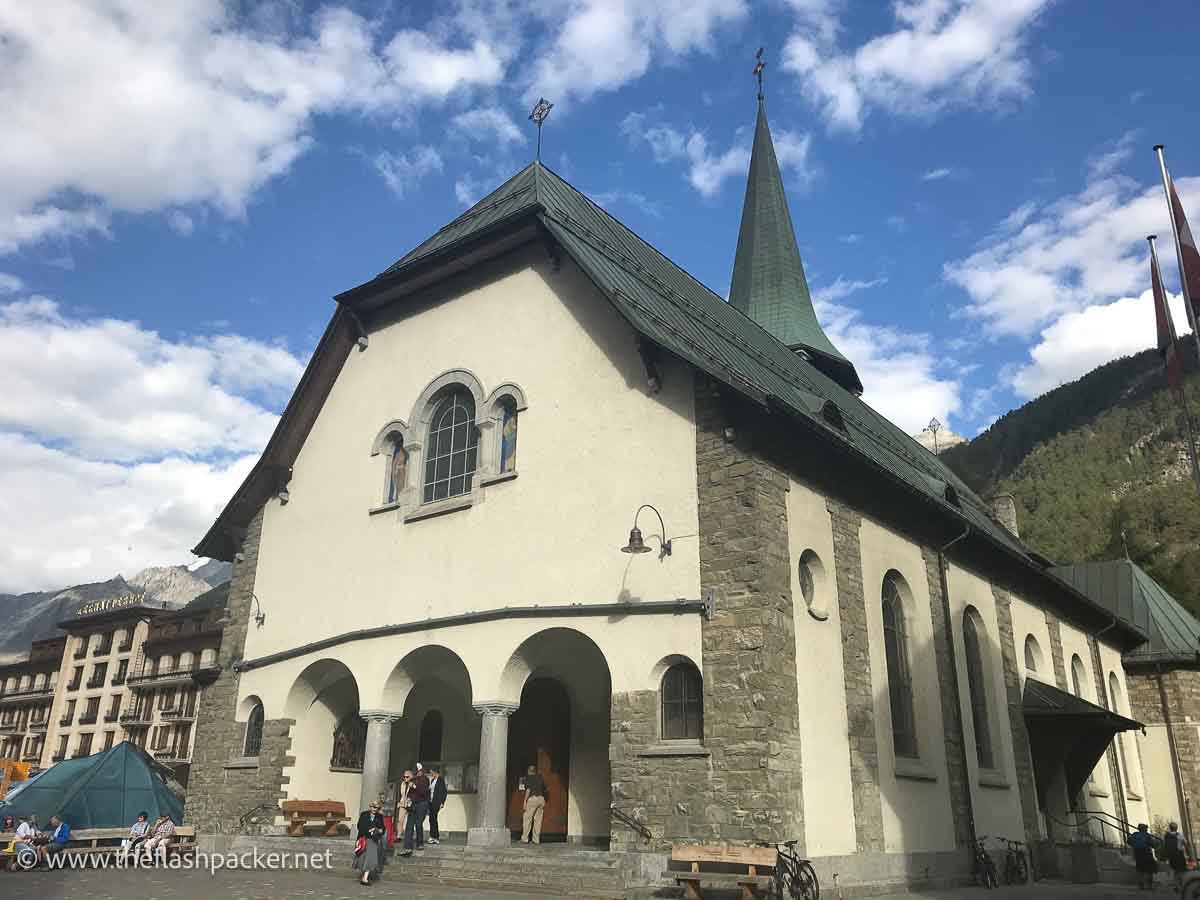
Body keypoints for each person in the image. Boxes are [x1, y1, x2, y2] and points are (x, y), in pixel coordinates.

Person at [353, 800, 386, 885]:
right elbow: (360, 826)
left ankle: (365, 878)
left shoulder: (379, 816)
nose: (375, 809)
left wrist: (378, 830)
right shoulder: (364, 814)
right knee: (362, 857)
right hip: (363, 839)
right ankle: (364, 875)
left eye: (377, 808)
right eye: (374, 807)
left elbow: (382, 828)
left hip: (373, 840)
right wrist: (370, 830)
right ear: (370, 807)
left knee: (370, 858)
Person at [402, 766, 430, 856]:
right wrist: (408, 802)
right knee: (409, 825)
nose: (418, 773)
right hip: (413, 805)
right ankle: (407, 847)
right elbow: (409, 794)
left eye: (419, 771)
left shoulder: (424, 779)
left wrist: (414, 786)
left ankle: (419, 843)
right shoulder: (411, 781)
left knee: (418, 824)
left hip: (422, 804)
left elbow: (424, 791)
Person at [1127, 823, 1159, 890]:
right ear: (1144, 829)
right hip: (1147, 853)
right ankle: (1149, 886)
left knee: (1140, 870)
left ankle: (1141, 885)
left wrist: (1135, 845)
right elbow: (1152, 844)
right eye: (1146, 828)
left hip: (1138, 854)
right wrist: (1155, 845)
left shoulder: (1134, 834)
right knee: (1150, 870)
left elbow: (1128, 841)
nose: (1147, 829)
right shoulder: (1147, 835)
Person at [520, 764, 546, 845]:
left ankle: (524, 839)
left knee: (527, 819)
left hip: (532, 799)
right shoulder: (540, 778)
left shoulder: (528, 778)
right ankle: (536, 840)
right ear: (535, 771)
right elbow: (545, 789)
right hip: (541, 799)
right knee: (538, 820)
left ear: (528, 771)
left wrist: (525, 801)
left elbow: (528, 790)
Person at [1164, 822, 1190, 890]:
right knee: (1182, 870)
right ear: (1176, 828)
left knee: (1175, 870)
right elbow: (1186, 844)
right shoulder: (1179, 835)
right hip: (1179, 855)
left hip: (1171, 856)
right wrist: (1188, 854)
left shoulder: (1167, 836)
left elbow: (1165, 847)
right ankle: (1181, 884)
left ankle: (1176, 885)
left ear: (1170, 828)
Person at [427, 767, 447, 845]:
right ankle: (433, 836)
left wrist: (442, 802)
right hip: (431, 802)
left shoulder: (440, 780)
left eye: (432, 772)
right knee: (431, 819)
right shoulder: (432, 780)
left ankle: (435, 837)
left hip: (436, 802)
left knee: (433, 818)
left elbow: (444, 792)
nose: (431, 774)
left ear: (436, 772)